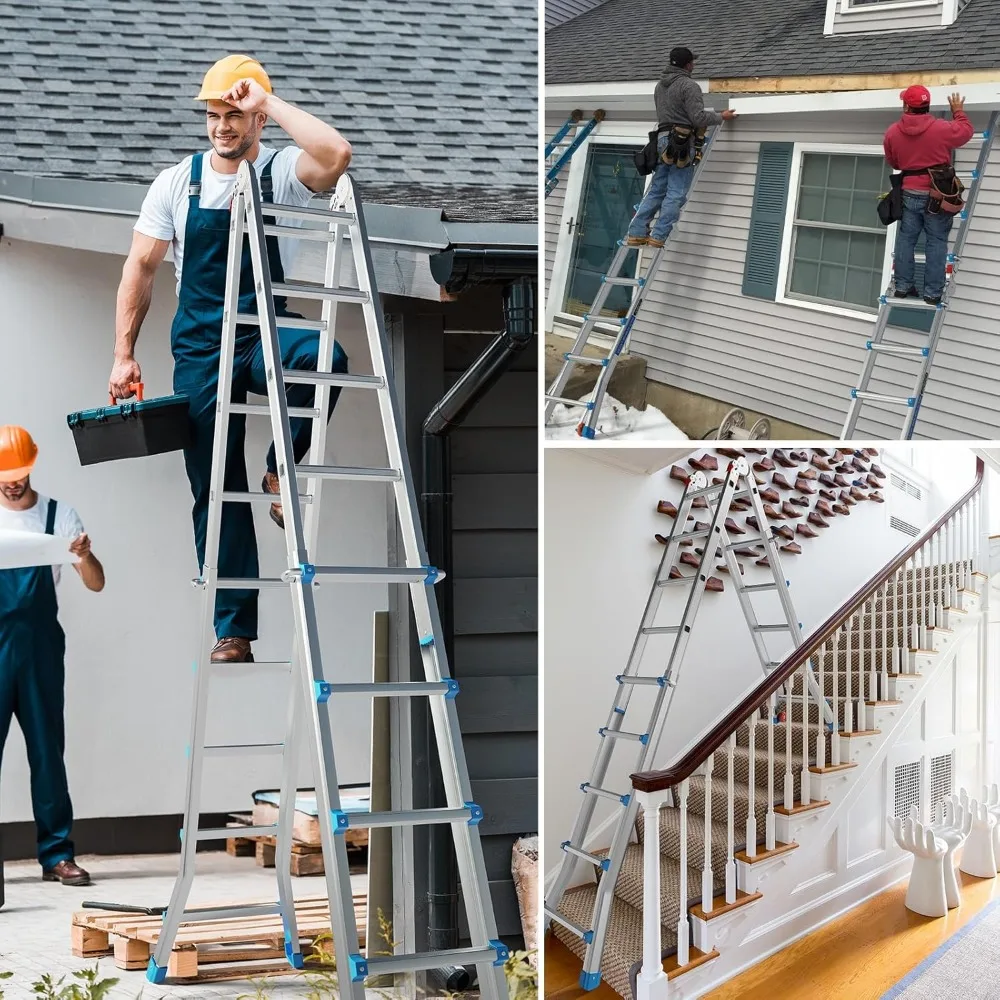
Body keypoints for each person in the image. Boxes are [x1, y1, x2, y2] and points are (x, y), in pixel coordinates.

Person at [108, 54, 353, 664]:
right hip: (200, 343)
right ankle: (234, 628)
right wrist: (122, 355)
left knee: (325, 357)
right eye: (215, 113)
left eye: (234, 113)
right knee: (213, 484)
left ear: (256, 120)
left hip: (266, 325)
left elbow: (337, 154)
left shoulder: (280, 172)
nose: (222, 125)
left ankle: (281, 470)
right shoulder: (176, 182)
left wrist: (266, 101)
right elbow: (139, 267)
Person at [0, 425, 105, 887]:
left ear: (32, 464)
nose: (12, 482)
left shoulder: (59, 515)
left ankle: (57, 854)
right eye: (4, 474)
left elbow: (96, 582)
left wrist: (84, 556)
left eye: (19, 473)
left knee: (47, 752)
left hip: (41, 644)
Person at [626, 46, 736, 248]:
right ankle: (659, 235)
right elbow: (698, 118)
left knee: (657, 190)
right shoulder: (689, 86)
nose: (694, 64)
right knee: (676, 192)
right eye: (692, 62)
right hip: (682, 143)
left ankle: (637, 232)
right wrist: (722, 117)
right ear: (688, 65)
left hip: (661, 140)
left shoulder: (660, 86)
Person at [884, 86, 974, 305]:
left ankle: (903, 286)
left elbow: (894, 162)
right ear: (927, 105)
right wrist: (958, 112)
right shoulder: (941, 128)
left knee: (907, 239)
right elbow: (966, 131)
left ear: (906, 105)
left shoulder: (893, 132)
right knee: (936, 241)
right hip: (937, 194)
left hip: (909, 193)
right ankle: (933, 293)